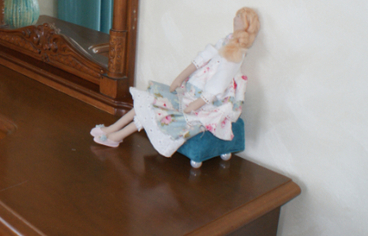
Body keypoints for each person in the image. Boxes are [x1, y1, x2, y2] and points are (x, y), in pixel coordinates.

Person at [91, 8, 260, 157]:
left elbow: (218, 84)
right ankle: (113, 129)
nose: (235, 18)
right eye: (237, 15)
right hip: (191, 92)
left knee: (155, 108)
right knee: (149, 97)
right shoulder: (227, 40)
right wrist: (180, 77)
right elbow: (203, 58)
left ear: (246, 25)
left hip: (205, 103)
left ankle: (116, 136)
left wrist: (197, 104)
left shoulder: (237, 53)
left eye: (240, 16)